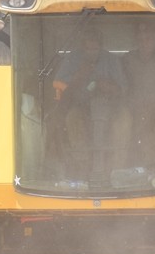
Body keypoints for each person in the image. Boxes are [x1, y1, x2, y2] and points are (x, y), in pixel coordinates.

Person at [51, 29, 129, 181]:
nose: (92, 51)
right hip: (80, 106)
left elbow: (124, 89)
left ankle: (117, 170)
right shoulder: (72, 59)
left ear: (101, 44)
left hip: (112, 107)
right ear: (82, 45)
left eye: (95, 48)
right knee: (72, 120)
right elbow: (57, 83)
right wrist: (78, 76)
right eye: (88, 48)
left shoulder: (111, 60)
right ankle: (83, 168)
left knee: (124, 121)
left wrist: (110, 87)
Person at [122, 22, 155, 172]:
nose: (145, 42)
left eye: (149, 38)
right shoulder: (127, 60)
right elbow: (122, 88)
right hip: (134, 110)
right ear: (136, 40)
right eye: (141, 38)